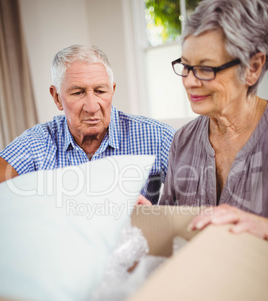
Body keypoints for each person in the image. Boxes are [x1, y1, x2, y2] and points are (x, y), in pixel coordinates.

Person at [159, 0, 268, 240]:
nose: (189, 81)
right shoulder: (183, 140)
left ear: (252, 67)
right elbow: (170, 224)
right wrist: (147, 216)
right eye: (185, 66)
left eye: (206, 69)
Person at [0, 44, 176, 204]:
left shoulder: (157, 136)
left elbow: (197, 202)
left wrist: (153, 215)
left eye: (100, 91)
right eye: (78, 93)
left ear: (112, 91)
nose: (92, 107)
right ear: (57, 98)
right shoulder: (36, 142)